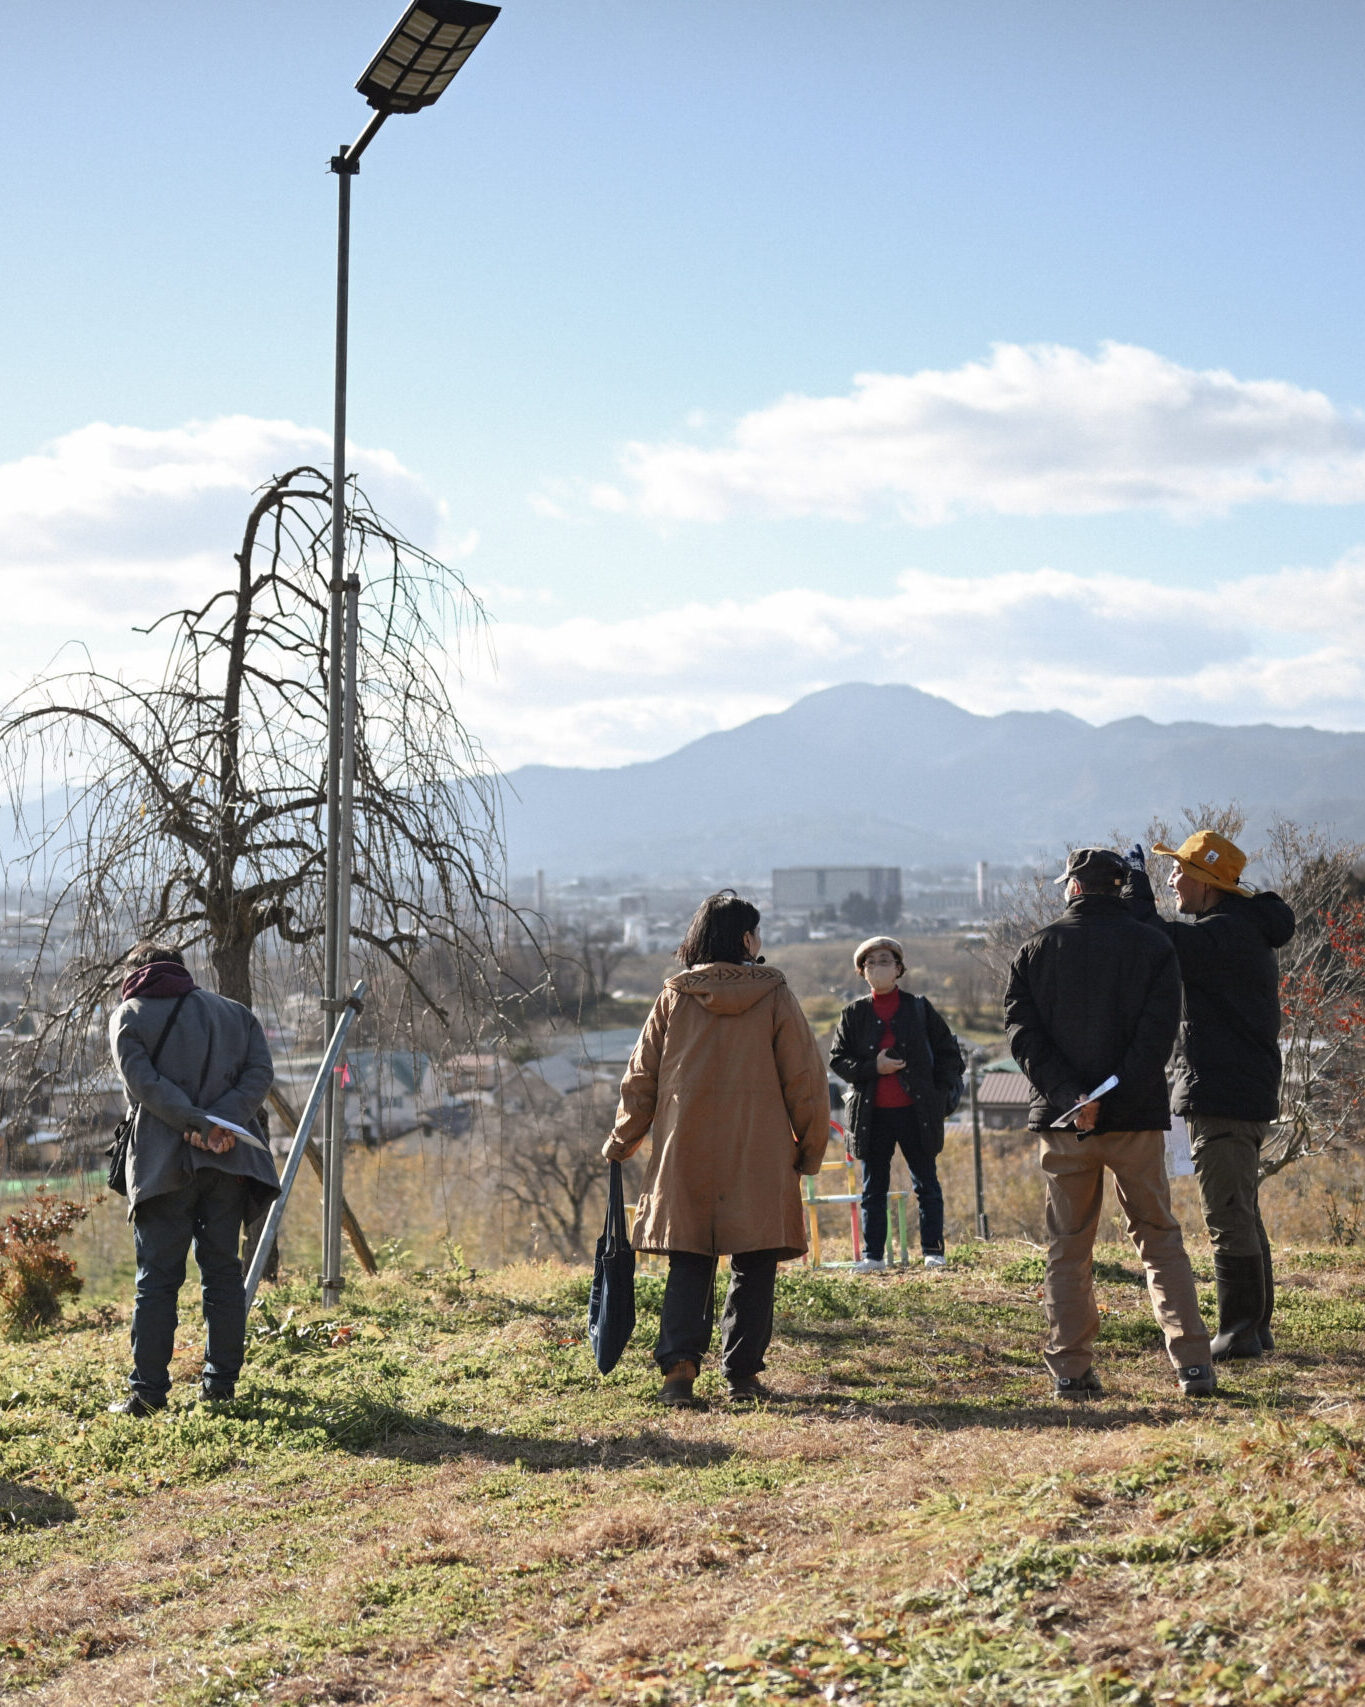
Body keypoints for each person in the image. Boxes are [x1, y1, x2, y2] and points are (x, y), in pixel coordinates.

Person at [602, 892, 829, 1406]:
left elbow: (641, 1079)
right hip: (760, 1150)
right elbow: (805, 1081)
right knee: (756, 1261)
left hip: (687, 1150)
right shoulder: (774, 994)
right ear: (747, 939)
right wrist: (810, 1147)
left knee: (690, 1259)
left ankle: (679, 1374)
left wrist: (622, 1140)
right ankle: (742, 1376)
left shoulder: (675, 996)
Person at [1005, 848, 1215, 1399]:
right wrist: (1111, 1093)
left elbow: (1022, 1034)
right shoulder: (1153, 946)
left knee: (1068, 1246)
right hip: (1134, 1119)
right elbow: (1158, 1033)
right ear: (1120, 887)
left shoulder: (1036, 949)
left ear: (1073, 887)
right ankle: (1193, 1364)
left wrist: (1071, 1097)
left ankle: (1071, 1370)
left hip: (1065, 1124)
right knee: (1159, 1237)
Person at [1123, 832, 1295, 1360]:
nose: (1173, 880)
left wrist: (1135, 892)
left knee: (1227, 1214)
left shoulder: (1224, 935)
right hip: (1238, 1092)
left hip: (1224, 1095)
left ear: (1207, 882)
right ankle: (1254, 1327)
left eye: (1179, 872)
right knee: (1241, 1207)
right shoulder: (1238, 930)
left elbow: (1158, 939)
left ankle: (1238, 1331)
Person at [107, 943, 278, 1415]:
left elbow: (144, 1085)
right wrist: (219, 1123)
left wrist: (195, 1124)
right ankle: (220, 1387)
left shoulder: (129, 1015)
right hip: (228, 1162)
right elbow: (260, 1073)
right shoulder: (235, 1013)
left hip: (162, 1165)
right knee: (223, 1273)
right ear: (181, 971)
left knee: (157, 1280)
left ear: (135, 975)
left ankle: (148, 1394)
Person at [828, 936, 964, 1271]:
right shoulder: (853, 1013)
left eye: (885, 961)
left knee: (926, 1184)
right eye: (871, 963)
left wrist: (938, 1093)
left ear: (899, 968)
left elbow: (949, 1054)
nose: (878, 967)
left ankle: (933, 1251)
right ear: (862, 972)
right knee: (873, 1187)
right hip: (872, 1115)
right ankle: (873, 1256)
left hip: (917, 1112)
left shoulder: (919, 1008)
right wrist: (874, 1067)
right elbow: (838, 1061)